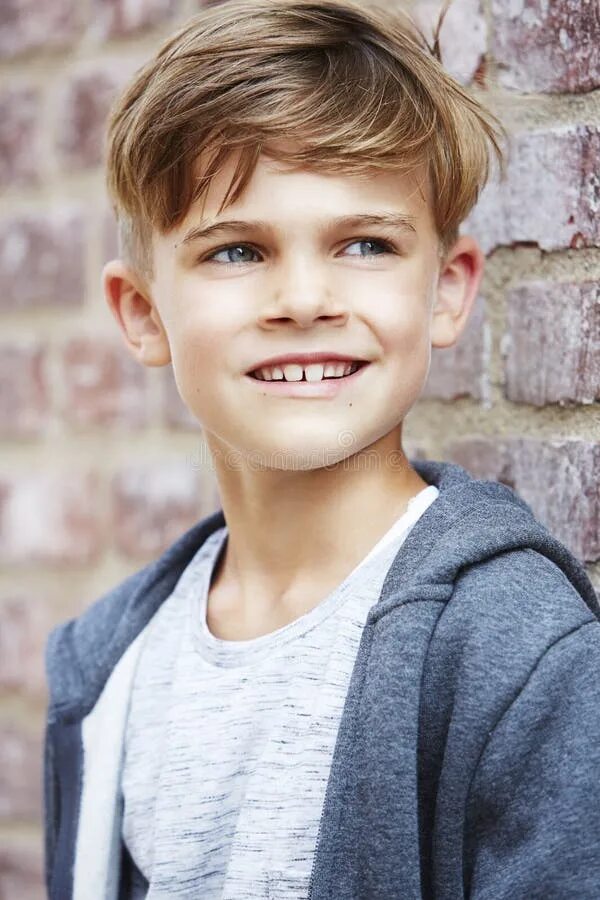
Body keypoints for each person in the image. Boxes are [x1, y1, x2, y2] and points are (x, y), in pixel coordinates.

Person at [43, 0, 600, 897]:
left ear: (448, 292)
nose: (304, 299)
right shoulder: (111, 663)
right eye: (236, 253)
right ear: (144, 313)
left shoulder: (516, 654)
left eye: (366, 244)